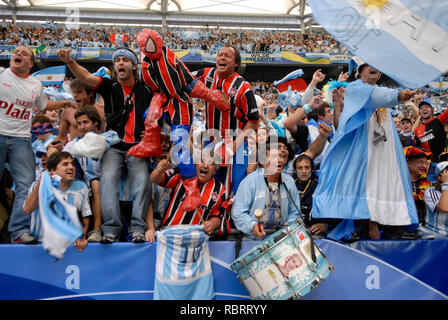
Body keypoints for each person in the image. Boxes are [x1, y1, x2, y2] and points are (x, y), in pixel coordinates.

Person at [312, 57, 419, 240]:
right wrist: (398, 96)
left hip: (384, 150)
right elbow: (372, 98)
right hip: (363, 150)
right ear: (359, 70)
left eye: (378, 66)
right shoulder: (356, 88)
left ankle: (394, 223)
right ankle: (359, 225)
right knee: (362, 187)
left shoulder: (380, 90)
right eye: (368, 65)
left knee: (389, 185)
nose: (374, 68)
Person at [57, 46, 152, 243]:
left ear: (134, 66)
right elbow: (86, 77)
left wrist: (153, 132)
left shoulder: (146, 89)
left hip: (138, 145)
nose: (120, 63)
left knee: (142, 184)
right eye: (117, 61)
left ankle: (137, 228)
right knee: (107, 182)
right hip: (114, 145)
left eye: (125, 60)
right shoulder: (108, 85)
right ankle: (111, 229)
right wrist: (70, 62)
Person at [128, 29, 229, 212]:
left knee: (180, 146)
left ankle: (192, 191)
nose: (148, 48)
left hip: (180, 105)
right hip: (162, 101)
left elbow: (191, 85)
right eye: (144, 46)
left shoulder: (172, 61)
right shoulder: (145, 66)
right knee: (147, 117)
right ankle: (151, 142)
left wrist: (211, 97)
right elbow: (154, 89)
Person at [0, 45, 71, 244]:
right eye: (16, 52)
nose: (18, 54)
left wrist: (65, 104)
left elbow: (43, 106)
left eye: (24, 53)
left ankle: (19, 231)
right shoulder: (2, 74)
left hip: (21, 138)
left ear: (30, 64)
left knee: (26, 183)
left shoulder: (35, 85)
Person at [193, 44, 260, 198]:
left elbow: (254, 121)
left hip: (235, 142)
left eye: (227, 56)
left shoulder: (244, 87)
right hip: (211, 141)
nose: (222, 58)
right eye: (220, 55)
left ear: (235, 63)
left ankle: (234, 219)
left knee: (237, 185)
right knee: (210, 184)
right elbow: (184, 79)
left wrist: (236, 144)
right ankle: (214, 217)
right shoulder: (206, 74)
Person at [148, 149, 227, 242]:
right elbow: (154, 179)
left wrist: (212, 224)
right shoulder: (182, 174)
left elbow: (217, 216)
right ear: (195, 164)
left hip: (195, 240)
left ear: (215, 170)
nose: (205, 165)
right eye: (202, 161)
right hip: (169, 234)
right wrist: (158, 170)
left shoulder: (220, 189)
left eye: (211, 163)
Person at [231, 139, 300, 239]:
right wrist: (252, 226)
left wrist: (289, 224)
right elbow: (238, 212)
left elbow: (295, 212)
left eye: (282, 157)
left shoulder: (289, 182)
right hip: (253, 239)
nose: (280, 160)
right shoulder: (250, 180)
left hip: (281, 239)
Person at [23, 151, 91, 253]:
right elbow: (27, 209)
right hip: (40, 244)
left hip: (70, 245)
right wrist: (41, 183)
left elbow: (85, 215)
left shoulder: (81, 187)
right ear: (53, 171)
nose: (71, 167)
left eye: (72, 164)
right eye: (65, 164)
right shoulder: (36, 186)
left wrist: (82, 237)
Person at [63, 105, 103, 242]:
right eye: (79, 124)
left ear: (95, 122)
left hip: (107, 184)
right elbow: (61, 157)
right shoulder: (74, 143)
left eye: (85, 122)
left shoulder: (105, 138)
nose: (82, 127)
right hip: (86, 186)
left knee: (95, 183)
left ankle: (96, 230)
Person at [292, 154, 337, 237]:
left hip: (313, 230)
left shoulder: (321, 186)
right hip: (292, 228)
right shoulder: (288, 184)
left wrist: (326, 225)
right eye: (300, 168)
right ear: (294, 170)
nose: (304, 171)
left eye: (307, 167)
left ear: (312, 169)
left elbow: (336, 209)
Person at [405, 146, 433, 226]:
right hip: (401, 229)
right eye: (420, 162)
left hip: (424, 229)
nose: (424, 166)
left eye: (425, 163)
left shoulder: (430, 185)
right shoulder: (399, 183)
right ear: (408, 163)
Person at [414, 98, 448, 163]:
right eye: (421, 108)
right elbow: (417, 149)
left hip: (443, 161)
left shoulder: (438, 121)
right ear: (419, 112)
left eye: (427, 107)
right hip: (429, 164)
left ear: (432, 110)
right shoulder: (417, 130)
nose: (424, 109)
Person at [420, 161, 448, 238]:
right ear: (440, 176)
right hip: (435, 238)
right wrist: (446, 184)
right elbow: (444, 208)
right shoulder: (431, 191)